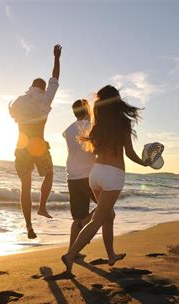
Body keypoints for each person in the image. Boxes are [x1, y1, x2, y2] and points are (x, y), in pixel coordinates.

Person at [61, 85, 152, 277]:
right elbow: (129, 152)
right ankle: (70, 255)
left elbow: (94, 150)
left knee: (108, 216)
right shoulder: (123, 123)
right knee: (97, 220)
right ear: (117, 101)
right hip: (113, 175)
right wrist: (144, 163)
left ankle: (111, 255)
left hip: (96, 174)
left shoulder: (97, 123)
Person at [9, 44, 62, 239]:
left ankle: (29, 226)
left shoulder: (20, 101)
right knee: (49, 174)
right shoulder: (45, 100)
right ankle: (41, 206)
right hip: (38, 145)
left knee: (25, 187)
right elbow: (55, 79)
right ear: (43, 88)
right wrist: (56, 58)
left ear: (31, 86)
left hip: (22, 146)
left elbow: (13, 115)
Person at [63, 99, 97, 254]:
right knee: (106, 207)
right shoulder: (91, 126)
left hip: (72, 176)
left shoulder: (68, 129)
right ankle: (85, 222)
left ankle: (72, 251)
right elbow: (95, 149)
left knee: (76, 218)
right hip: (88, 176)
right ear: (86, 109)